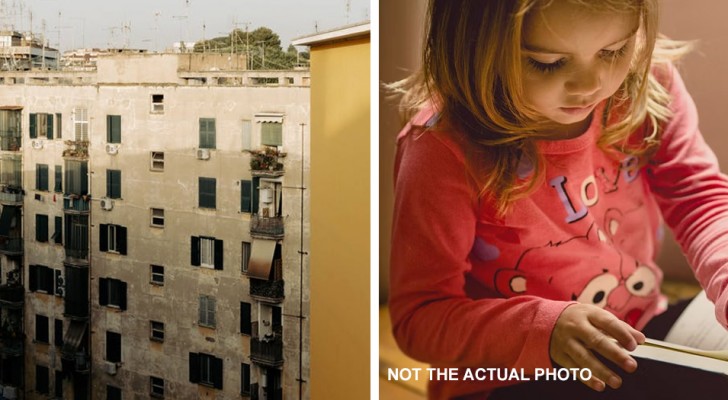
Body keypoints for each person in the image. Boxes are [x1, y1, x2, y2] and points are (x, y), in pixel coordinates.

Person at [389, 0, 728, 399]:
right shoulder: (440, 147)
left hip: (639, 338)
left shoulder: (648, 82)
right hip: (515, 377)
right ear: (471, 45)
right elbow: (420, 319)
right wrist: (544, 328)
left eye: (613, 51)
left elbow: (698, 195)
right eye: (547, 62)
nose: (589, 85)